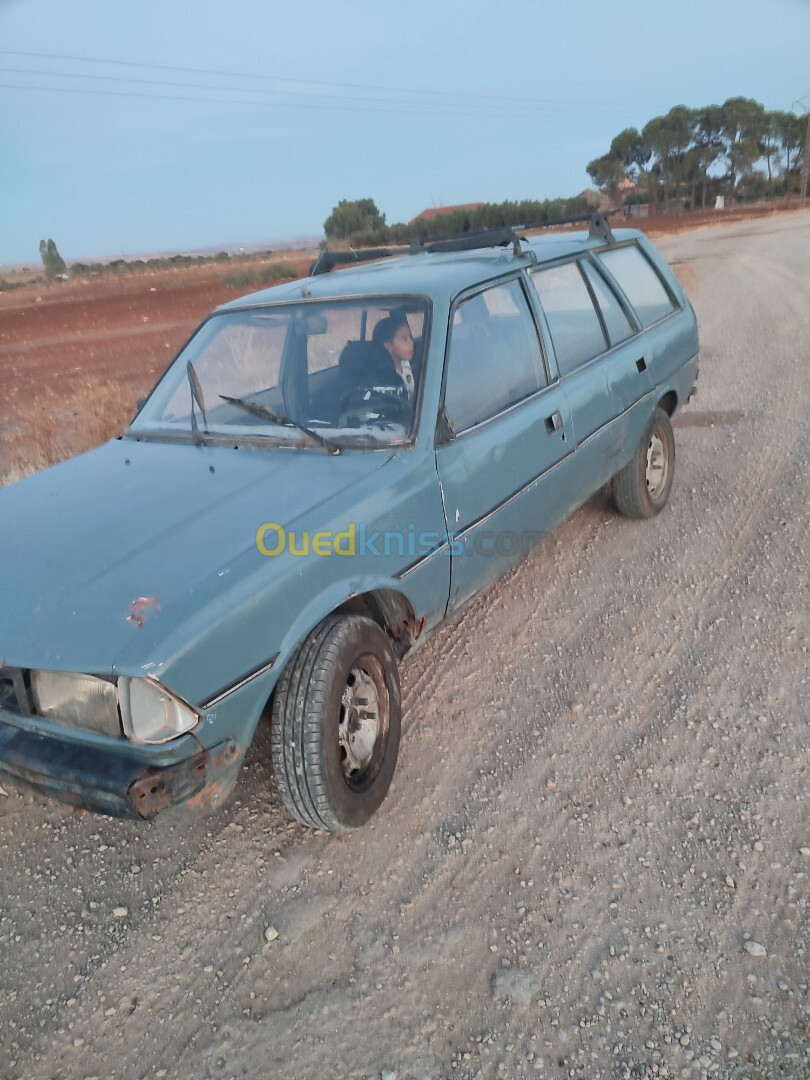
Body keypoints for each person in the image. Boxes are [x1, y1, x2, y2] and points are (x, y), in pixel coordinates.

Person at [371, 312, 420, 399]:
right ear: (388, 346)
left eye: (410, 337)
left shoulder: (406, 365)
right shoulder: (385, 380)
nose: (412, 343)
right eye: (404, 339)